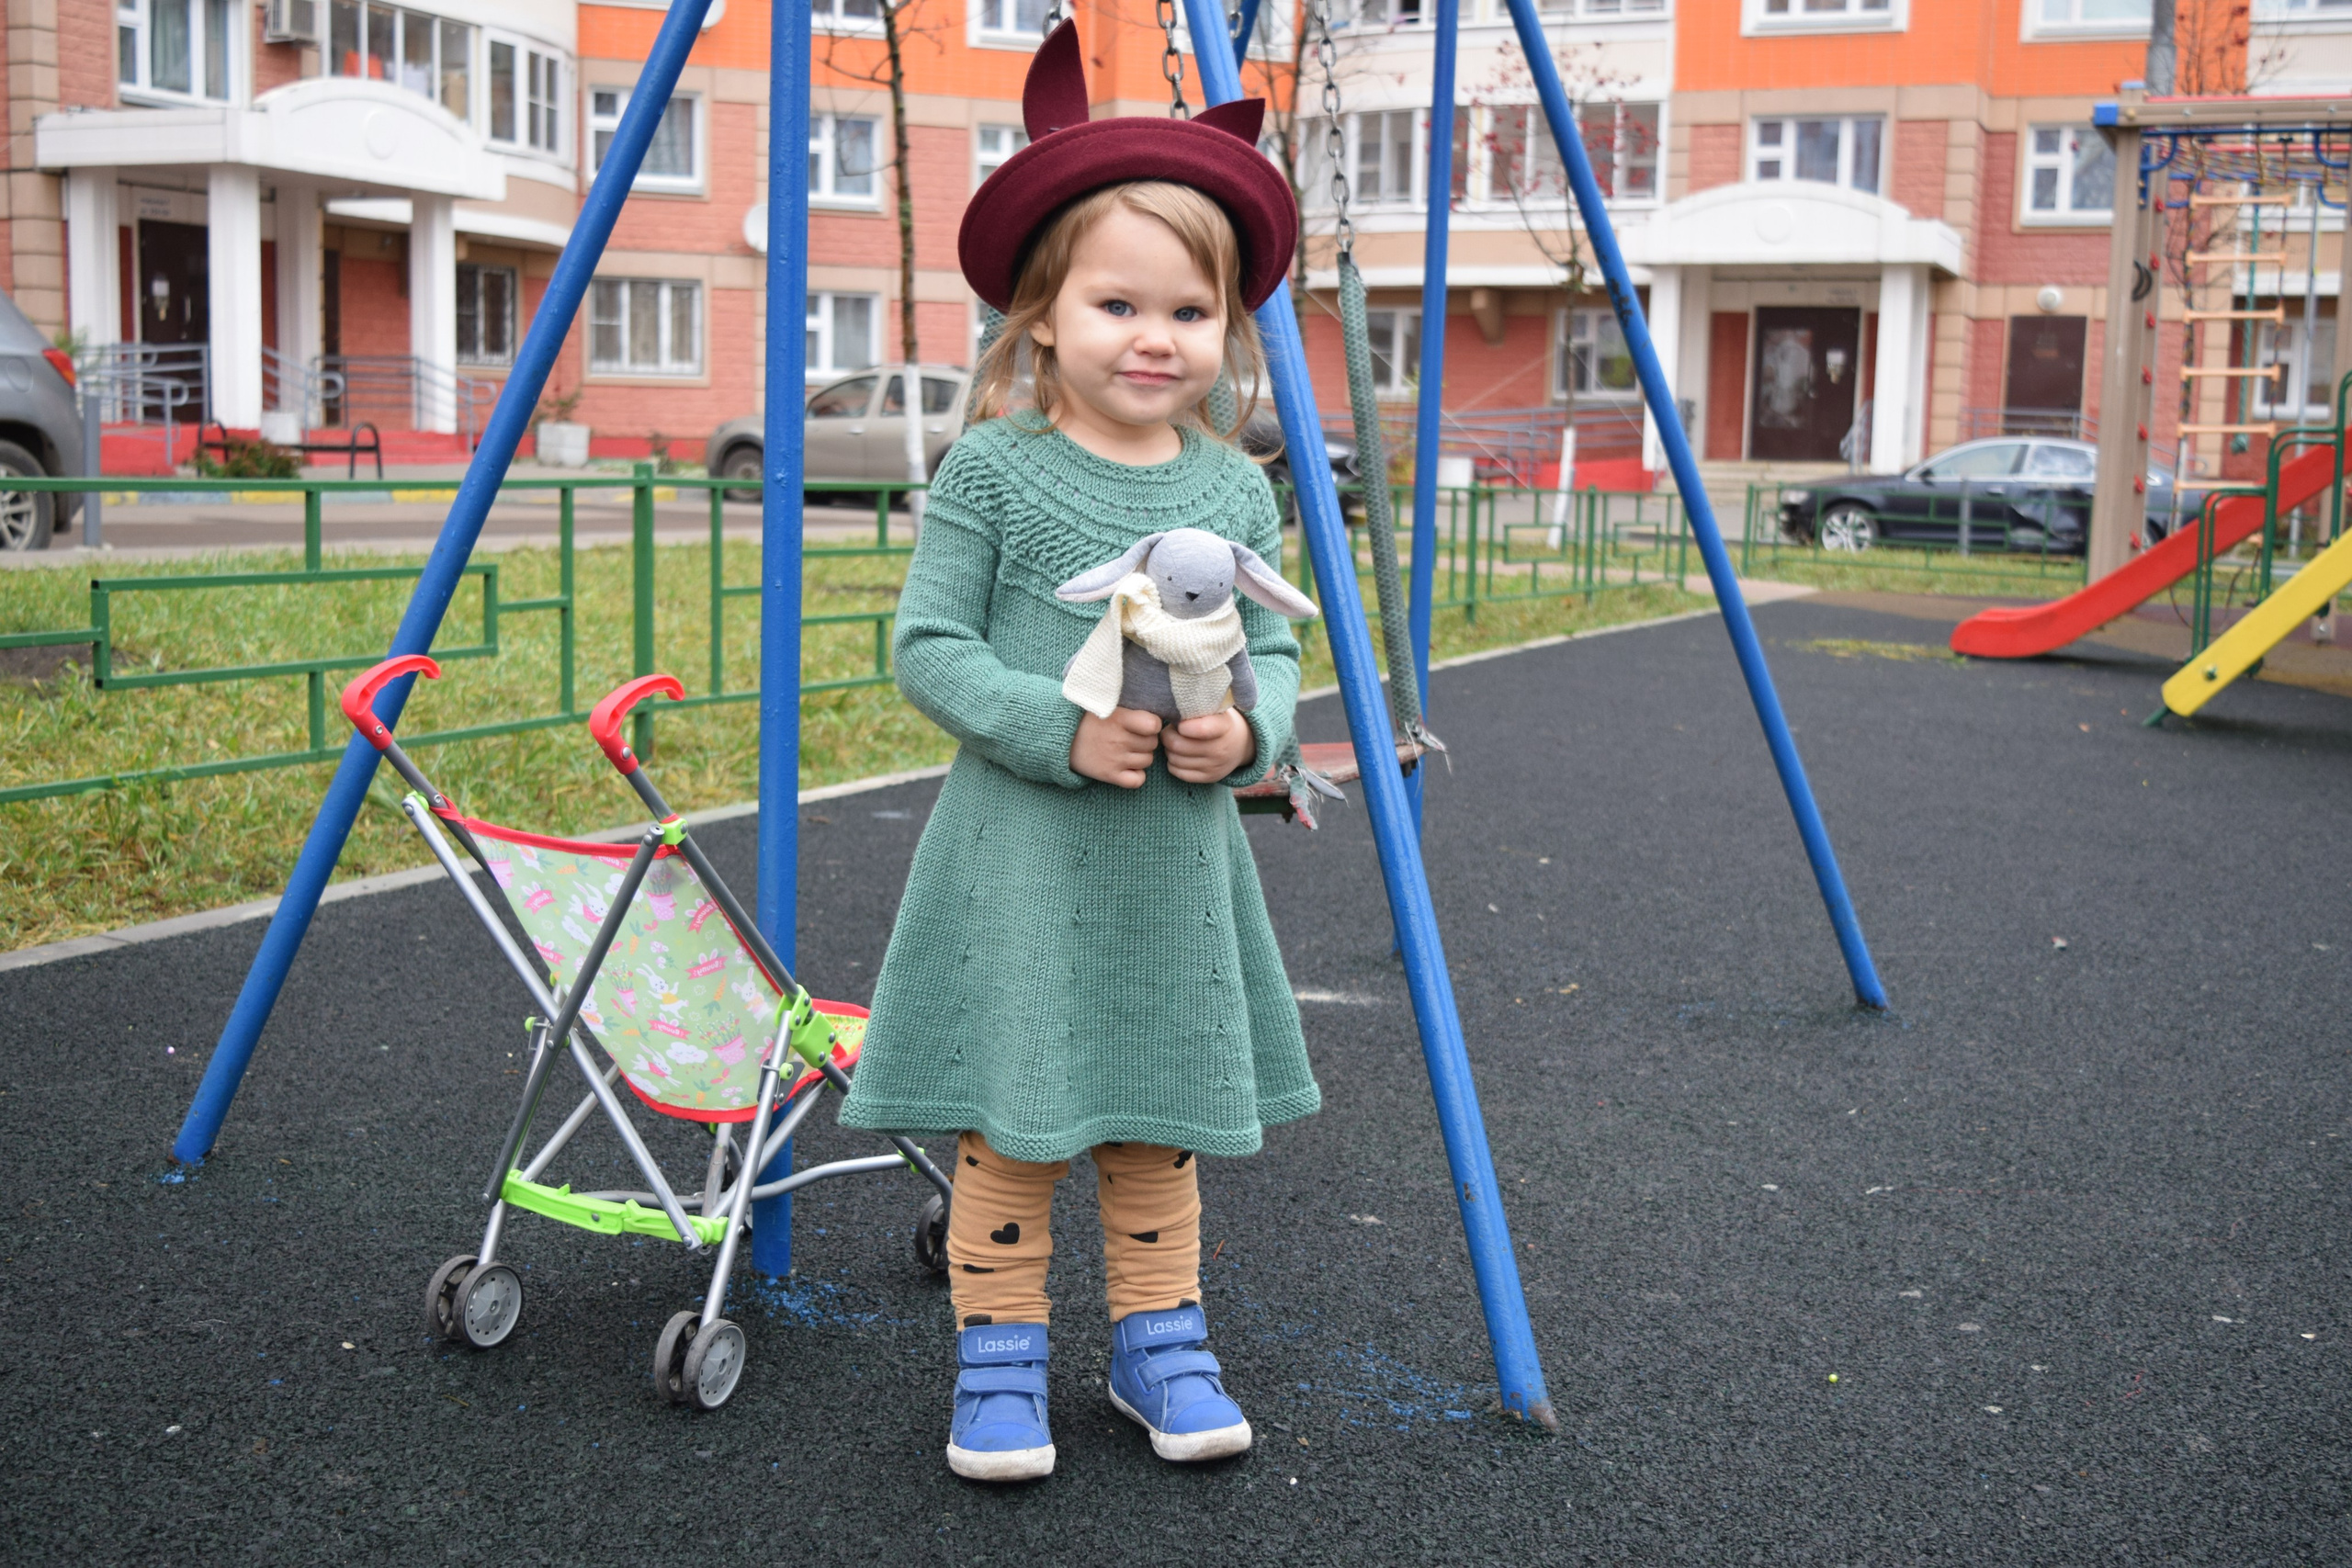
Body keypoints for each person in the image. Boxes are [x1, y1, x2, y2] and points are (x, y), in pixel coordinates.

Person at [835, 20, 1317, 1483]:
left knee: (1156, 1120)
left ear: (1225, 331)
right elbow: (928, 646)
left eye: (1187, 310)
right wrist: (1059, 728)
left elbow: (1279, 650)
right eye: (1118, 303)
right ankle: (998, 1359)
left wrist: (1250, 733)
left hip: (1175, 861)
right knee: (1018, 1118)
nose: (1154, 337)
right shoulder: (993, 466)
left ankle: (1157, 1345)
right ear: (1045, 314)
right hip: (1024, 858)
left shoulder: (1236, 489)